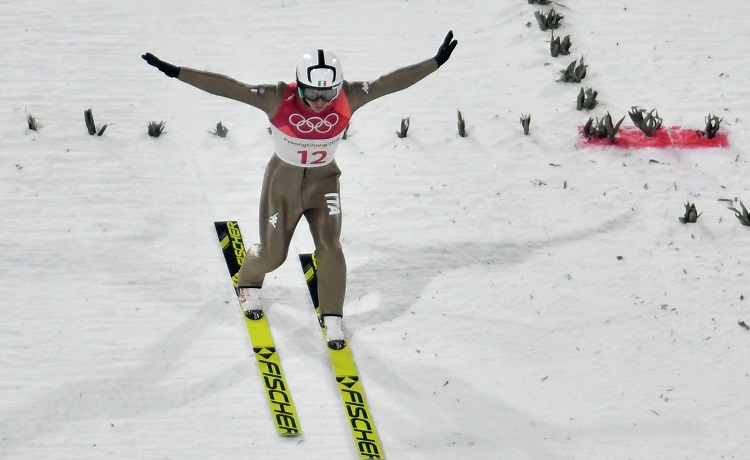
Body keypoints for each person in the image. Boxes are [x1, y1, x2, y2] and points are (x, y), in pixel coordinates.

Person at [142, 31, 457, 349]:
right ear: (298, 84)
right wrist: (177, 71)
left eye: (328, 94)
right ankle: (249, 278)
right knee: (273, 255)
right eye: (311, 93)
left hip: (324, 182)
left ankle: (332, 316)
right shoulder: (277, 97)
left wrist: (435, 62)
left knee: (331, 247)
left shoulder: (348, 97)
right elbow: (229, 88)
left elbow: (389, 83)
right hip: (284, 183)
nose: (320, 102)